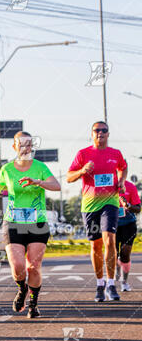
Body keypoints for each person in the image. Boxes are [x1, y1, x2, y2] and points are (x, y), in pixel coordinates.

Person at [0, 132, 60, 318]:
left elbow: (56, 186)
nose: (26, 147)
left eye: (29, 144)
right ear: (15, 147)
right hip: (13, 222)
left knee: (34, 266)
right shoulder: (7, 169)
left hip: (37, 223)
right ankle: (22, 288)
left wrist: (38, 182)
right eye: (22, 144)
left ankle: (33, 303)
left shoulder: (40, 167)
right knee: (18, 266)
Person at [67, 121, 127, 302]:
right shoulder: (83, 154)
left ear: (108, 134)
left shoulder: (115, 153)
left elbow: (123, 167)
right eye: (96, 130)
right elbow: (69, 177)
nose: (100, 133)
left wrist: (122, 181)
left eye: (104, 130)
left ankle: (111, 283)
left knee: (110, 241)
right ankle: (99, 284)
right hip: (90, 205)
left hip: (110, 202)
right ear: (91, 134)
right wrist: (82, 170)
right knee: (96, 245)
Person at [115, 179, 141, 291]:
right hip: (111, 224)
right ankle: (113, 279)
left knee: (125, 254)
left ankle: (124, 282)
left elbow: (138, 208)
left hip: (128, 225)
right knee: (113, 254)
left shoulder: (130, 186)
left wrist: (128, 206)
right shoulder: (105, 186)